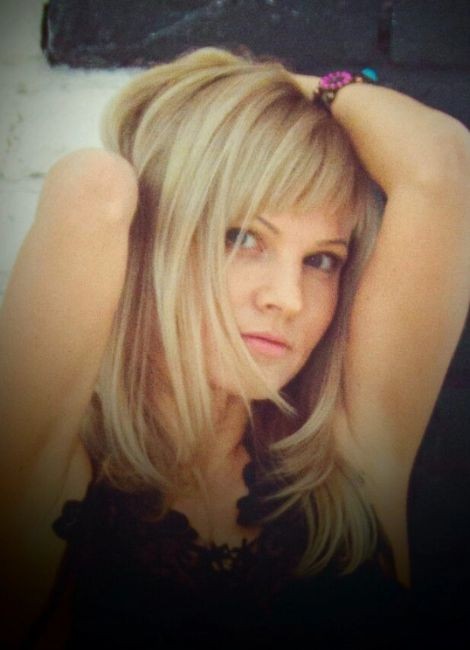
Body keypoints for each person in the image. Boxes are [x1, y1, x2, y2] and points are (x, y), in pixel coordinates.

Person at [0, 47, 469, 647]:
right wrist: (217, 100)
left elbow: (443, 161)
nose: (288, 299)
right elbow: (92, 189)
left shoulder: (351, 461)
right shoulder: (56, 472)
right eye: (244, 237)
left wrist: (287, 90)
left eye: (321, 260)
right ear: (156, 243)